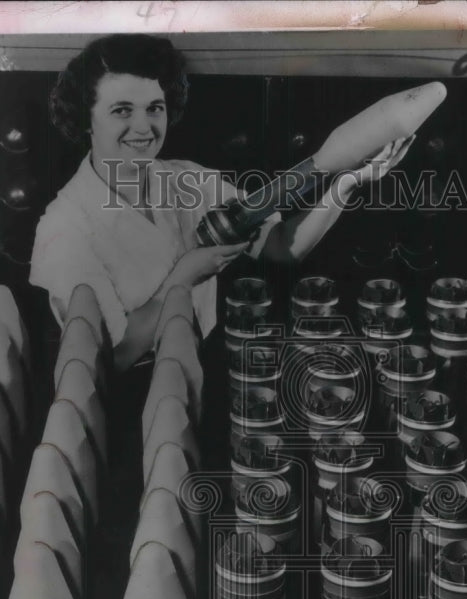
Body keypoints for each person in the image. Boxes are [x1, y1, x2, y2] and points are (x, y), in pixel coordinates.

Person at [30, 34, 411, 372]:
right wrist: (184, 276)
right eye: (122, 110)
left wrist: (345, 182)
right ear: (85, 118)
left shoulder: (185, 178)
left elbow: (281, 245)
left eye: (154, 108)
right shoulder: (64, 227)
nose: (144, 127)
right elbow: (118, 356)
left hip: (202, 362)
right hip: (127, 393)